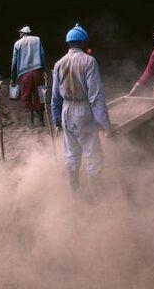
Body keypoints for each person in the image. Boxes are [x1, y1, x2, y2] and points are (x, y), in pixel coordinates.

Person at [51, 24, 112, 196]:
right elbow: (96, 97)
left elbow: (55, 96)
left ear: (69, 43)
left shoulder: (59, 64)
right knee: (92, 154)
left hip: (66, 110)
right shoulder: (89, 61)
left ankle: (74, 195)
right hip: (83, 110)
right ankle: (97, 196)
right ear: (83, 42)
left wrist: (56, 118)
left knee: (71, 153)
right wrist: (105, 124)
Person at [11, 26, 47, 129]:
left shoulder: (17, 43)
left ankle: (31, 124)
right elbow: (42, 55)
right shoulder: (37, 39)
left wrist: (13, 78)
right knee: (38, 96)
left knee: (26, 97)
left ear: (22, 33)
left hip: (24, 74)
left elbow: (14, 62)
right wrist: (44, 70)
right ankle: (41, 123)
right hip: (37, 71)